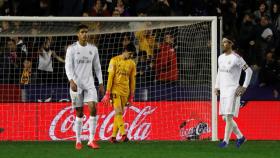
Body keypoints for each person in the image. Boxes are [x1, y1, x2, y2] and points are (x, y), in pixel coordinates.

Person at [65, 24, 104, 150]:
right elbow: (68, 66)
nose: (85, 34)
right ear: (78, 34)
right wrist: (71, 80)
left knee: (93, 108)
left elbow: (97, 67)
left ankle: (91, 140)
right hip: (76, 85)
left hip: (89, 84)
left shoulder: (93, 49)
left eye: (86, 32)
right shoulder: (71, 49)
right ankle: (78, 140)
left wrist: (101, 83)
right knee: (79, 112)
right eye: (82, 32)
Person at [215, 37, 253, 148]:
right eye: (222, 42)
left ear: (231, 44)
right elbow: (219, 72)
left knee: (229, 117)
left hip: (233, 90)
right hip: (223, 90)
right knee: (225, 117)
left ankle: (225, 142)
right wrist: (217, 87)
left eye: (225, 42)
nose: (223, 44)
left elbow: (249, 71)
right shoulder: (220, 57)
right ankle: (241, 137)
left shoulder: (237, 58)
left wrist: (244, 87)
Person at [101, 42, 136, 143]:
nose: (131, 56)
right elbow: (110, 77)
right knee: (119, 112)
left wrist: (132, 96)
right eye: (130, 53)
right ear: (125, 51)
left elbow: (132, 80)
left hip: (126, 92)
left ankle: (113, 137)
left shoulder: (132, 63)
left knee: (119, 115)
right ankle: (124, 134)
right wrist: (108, 93)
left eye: (132, 54)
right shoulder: (114, 60)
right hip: (115, 90)